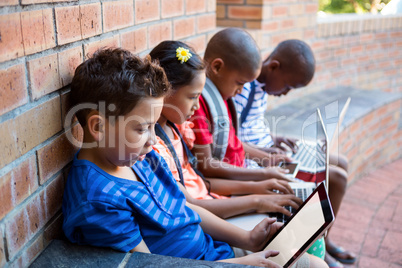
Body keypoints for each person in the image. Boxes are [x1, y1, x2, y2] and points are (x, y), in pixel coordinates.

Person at [61, 47, 292, 267]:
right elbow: (149, 265)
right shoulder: (99, 201)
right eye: (142, 129)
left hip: (216, 251)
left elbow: (185, 207)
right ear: (98, 126)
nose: (153, 141)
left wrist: (248, 239)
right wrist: (239, 263)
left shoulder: (141, 158)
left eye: (154, 127)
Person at [234, 39, 356, 267]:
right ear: (273, 67)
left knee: (341, 161)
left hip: (270, 151)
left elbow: (251, 127)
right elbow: (233, 141)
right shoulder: (243, 89)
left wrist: (274, 139)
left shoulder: (261, 88)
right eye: (288, 86)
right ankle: (322, 243)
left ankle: (326, 237)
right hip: (261, 163)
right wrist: (266, 155)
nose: (286, 93)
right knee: (337, 178)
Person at [150, 40, 303, 220]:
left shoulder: (178, 126)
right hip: (209, 213)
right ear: (165, 89)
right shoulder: (156, 145)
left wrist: (259, 184)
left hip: (217, 199)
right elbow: (192, 201)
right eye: (193, 97)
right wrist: (257, 197)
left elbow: (201, 182)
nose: (196, 105)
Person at [189, 27, 292, 184]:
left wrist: (266, 159)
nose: (240, 91)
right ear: (217, 67)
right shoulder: (198, 105)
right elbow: (206, 165)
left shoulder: (222, 96)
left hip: (242, 173)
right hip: (231, 184)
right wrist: (263, 175)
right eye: (239, 83)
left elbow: (231, 142)